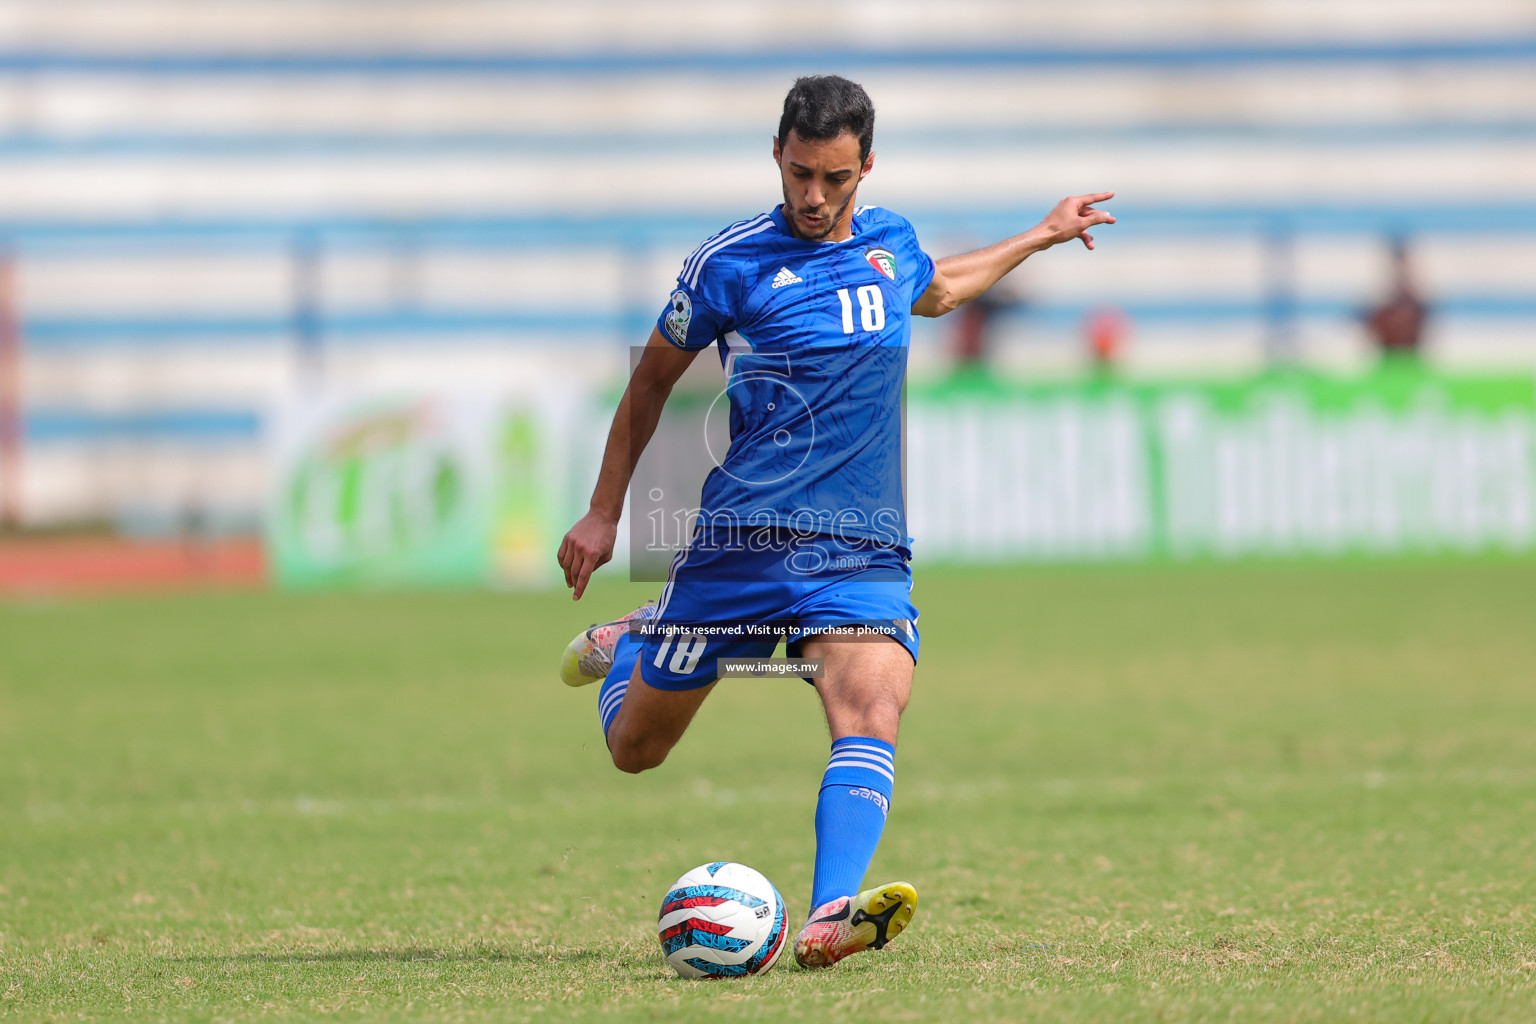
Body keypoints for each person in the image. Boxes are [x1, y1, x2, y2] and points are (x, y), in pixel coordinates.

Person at [555, 75, 1114, 969]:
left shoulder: (891, 245)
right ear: (777, 153)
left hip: (860, 546)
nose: (815, 197)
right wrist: (602, 512)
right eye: (802, 173)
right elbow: (652, 383)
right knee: (636, 750)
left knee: (872, 706)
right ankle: (637, 638)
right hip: (742, 544)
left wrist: (1044, 234)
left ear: (866, 168)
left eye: (836, 179)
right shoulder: (726, 264)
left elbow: (941, 290)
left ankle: (827, 916)